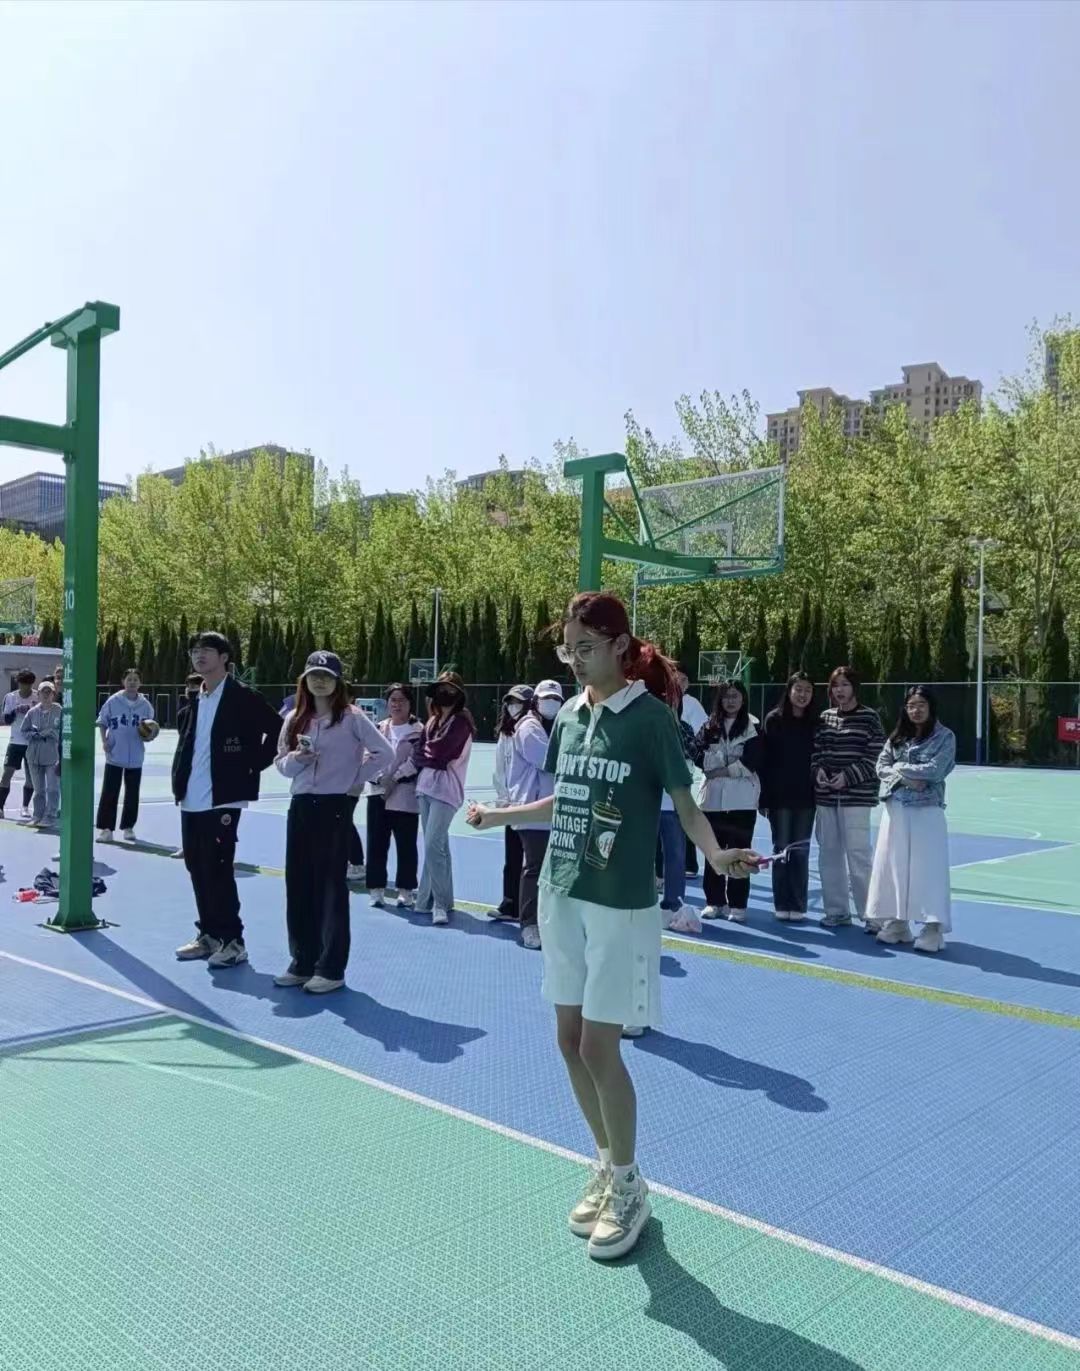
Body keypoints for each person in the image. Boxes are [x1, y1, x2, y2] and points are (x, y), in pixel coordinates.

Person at [466, 592, 761, 1262]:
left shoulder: (651, 719)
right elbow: (565, 796)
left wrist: (717, 855)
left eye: (586, 647)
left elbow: (685, 804)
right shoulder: (570, 716)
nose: (574, 660)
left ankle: (629, 1184)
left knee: (601, 1048)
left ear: (621, 646)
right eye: (568, 648)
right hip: (562, 890)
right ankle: (606, 1162)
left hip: (619, 901)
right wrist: (501, 816)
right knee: (568, 1041)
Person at [274, 651, 394, 993]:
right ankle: (302, 961)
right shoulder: (295, 718)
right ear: (304, 680)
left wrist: (354, 779)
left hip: (334, 806)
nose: (320, 681)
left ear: (337, 682)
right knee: (298, 884)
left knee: (330, 888)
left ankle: (331, 968)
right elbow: (281, 763)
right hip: (300, 806)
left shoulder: (352, 717)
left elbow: (385, 753)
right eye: (314, 675)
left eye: (327, 676)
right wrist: (298, 758)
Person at [171, 632, 282, 967]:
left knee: (218, 869)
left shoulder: (242, 696)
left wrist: (250, 766)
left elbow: (279, 730)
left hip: (223, 800)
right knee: (196, 867)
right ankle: (208, 934)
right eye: (194, 651)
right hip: (190, 798)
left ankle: (233, 941)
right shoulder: (196, 699)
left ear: (224, 658)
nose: (199, 655)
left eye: (206, 650)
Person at [867, 686, 957, 952]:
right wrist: (906, 778)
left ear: (930, 707)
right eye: (911, 706)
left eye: (921, 705)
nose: (915, 710)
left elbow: (935, 770)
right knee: (893, 866)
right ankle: (897, 923)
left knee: (927, 869)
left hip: (926, 810)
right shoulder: (897, 737)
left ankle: (932, 928)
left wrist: (898, 768)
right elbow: (880, 766)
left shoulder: (945, 737)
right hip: (895, 809)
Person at [812, 666, 885, 929]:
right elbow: (816, 751)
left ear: (855, 687)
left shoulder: (869, 718)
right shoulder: (825, 717)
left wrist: (847, 777)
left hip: (857, 799)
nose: (839, 690)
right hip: (826, 799)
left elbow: (876, 757)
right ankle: (837, 912)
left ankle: (872, 915)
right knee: (829, 855)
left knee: (859, 856)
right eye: (835, 685)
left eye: (844, 684)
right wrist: (818, 771)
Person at [692, 680, 762, 922]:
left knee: (741, 854)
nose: (731, 701)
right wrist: (727, 760)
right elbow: (698, 755)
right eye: (726, 696)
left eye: (735, 696)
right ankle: (714, 902)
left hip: (743, 801)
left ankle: (738, 905)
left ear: (743, 699)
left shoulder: (753, 726)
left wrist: (720, 767)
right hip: (712, 801)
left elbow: (752, 761)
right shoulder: (709, 726)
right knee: (714, 853)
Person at [413, 671, 475, 925]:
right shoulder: (432, 722)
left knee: (432, 845)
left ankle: (438, 903)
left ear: (459, 695)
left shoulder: (461, 723)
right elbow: (419, 753)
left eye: (450, 690)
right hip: (425, 787)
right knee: (438, 846)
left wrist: (426, 757)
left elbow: (441, 752)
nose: (445, 694)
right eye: (441, 689)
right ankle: (435, 899)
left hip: (447, 791)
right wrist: (427, 757)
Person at [505, 679, 562, 950]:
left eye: (556, 699)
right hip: (532, 807)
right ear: (536, 701)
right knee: (535, 867)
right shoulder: (529, 727)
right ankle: (529, 924)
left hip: (549, 809)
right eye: (546, 698)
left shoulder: (554, 726)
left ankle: (545, 921)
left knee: (549, 868)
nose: (551, 703)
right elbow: (547, 761)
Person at [758, 672, 818, 922]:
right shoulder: (774, 719)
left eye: (807, 690)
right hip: (779, 797)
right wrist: (764, 797)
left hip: (806, 797)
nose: (803, 694)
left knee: (801, 851)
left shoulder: (816, 722)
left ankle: (798, 904)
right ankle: (782, 903)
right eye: (798, 689)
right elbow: (764, 761)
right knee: (782, 849)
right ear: (789, 690)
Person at [364, 682, 424, 909]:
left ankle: (406, 891)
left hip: (405, 795)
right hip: (377, 794)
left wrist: (395, 779)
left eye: (402, 700)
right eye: (393, 700)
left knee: (406, 845)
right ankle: (376, 890)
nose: (397, 704)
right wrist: (380, 779)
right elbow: (367, 757)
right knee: (376, 844)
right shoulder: (378, 728)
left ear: (410, 703)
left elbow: (417, 760)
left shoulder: (419, 731)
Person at [656, 683, 702, 935]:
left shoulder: (684, 728)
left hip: (674, 803)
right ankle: (639, 903)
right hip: (646, 801)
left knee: (675, 854)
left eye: (673, 702)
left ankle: (673, 903)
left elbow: (693, 752)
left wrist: (673, 727)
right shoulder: (646, 727)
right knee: (641, 855)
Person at [488, 685, 534, 922]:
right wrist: (502, 799)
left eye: (518, 702)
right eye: (510, 702)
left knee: (533, 861)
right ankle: (510, 904)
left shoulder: (532, 731)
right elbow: (500, 769)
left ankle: (531, 909)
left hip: (530, 804)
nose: (513, 706)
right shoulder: (506, 734)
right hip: (510, 805)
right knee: (513, 858)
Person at [96, 668, 157, 842]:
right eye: (129, 679)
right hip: (115, 753)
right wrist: (104, 741)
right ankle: (106, 829)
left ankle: (128, 827)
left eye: (135, 679)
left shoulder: (145, 705)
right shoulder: (113, 701)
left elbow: (151, 727)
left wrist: (150, 736)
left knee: (132, 793)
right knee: (110, 791)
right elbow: (102, 722)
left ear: (140, 683)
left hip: (136, 755)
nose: (132, 682)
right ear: (123, 681)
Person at [676, 669, 708, 875]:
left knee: (685, 814)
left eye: (682, 678)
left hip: (686, 769)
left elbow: (701, 733)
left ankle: (689, 863)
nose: (678, 681)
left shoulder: (692, 704)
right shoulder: (657, 699)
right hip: (661, 770)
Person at [23, 680, 62, 828]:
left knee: (52, 788)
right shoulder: (32, 712)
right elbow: (24, 731)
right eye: (43, 692)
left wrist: (52, 733)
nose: (46, 695)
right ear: (38, 694)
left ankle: (50, 816)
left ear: (53, 694)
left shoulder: (60, 711)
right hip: (34, 755)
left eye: (49, 692)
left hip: (52, 755)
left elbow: (65, 731)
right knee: (38, 789)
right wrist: (35, 734)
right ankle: (37, 815)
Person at [1, 669, 37, 820]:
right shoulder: (10, 697)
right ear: (18, 683)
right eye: (23, 684)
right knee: (6, 775)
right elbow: (6, 720)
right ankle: (0, 807)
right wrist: (15, 711)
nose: (25, 687)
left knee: (31, 778)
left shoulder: (37, 697)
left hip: (31, 743)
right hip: (15, 742)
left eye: (28, 684)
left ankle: (25, 807)